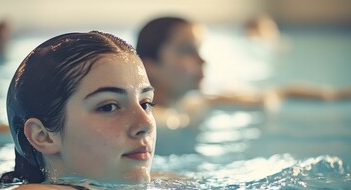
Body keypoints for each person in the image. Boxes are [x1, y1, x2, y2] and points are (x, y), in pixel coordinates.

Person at [0, 31, 157, 190]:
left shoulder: (156, 183)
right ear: (42, 136)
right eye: (108, 107)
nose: (145, 123)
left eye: (145, 103)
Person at [136, 16, 351, 129]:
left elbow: (273, 95)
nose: (202, 60)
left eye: (200, 49)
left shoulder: (194, 104)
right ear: (149, 64)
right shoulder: (148, 123)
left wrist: (333, 96)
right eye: (187, 51)